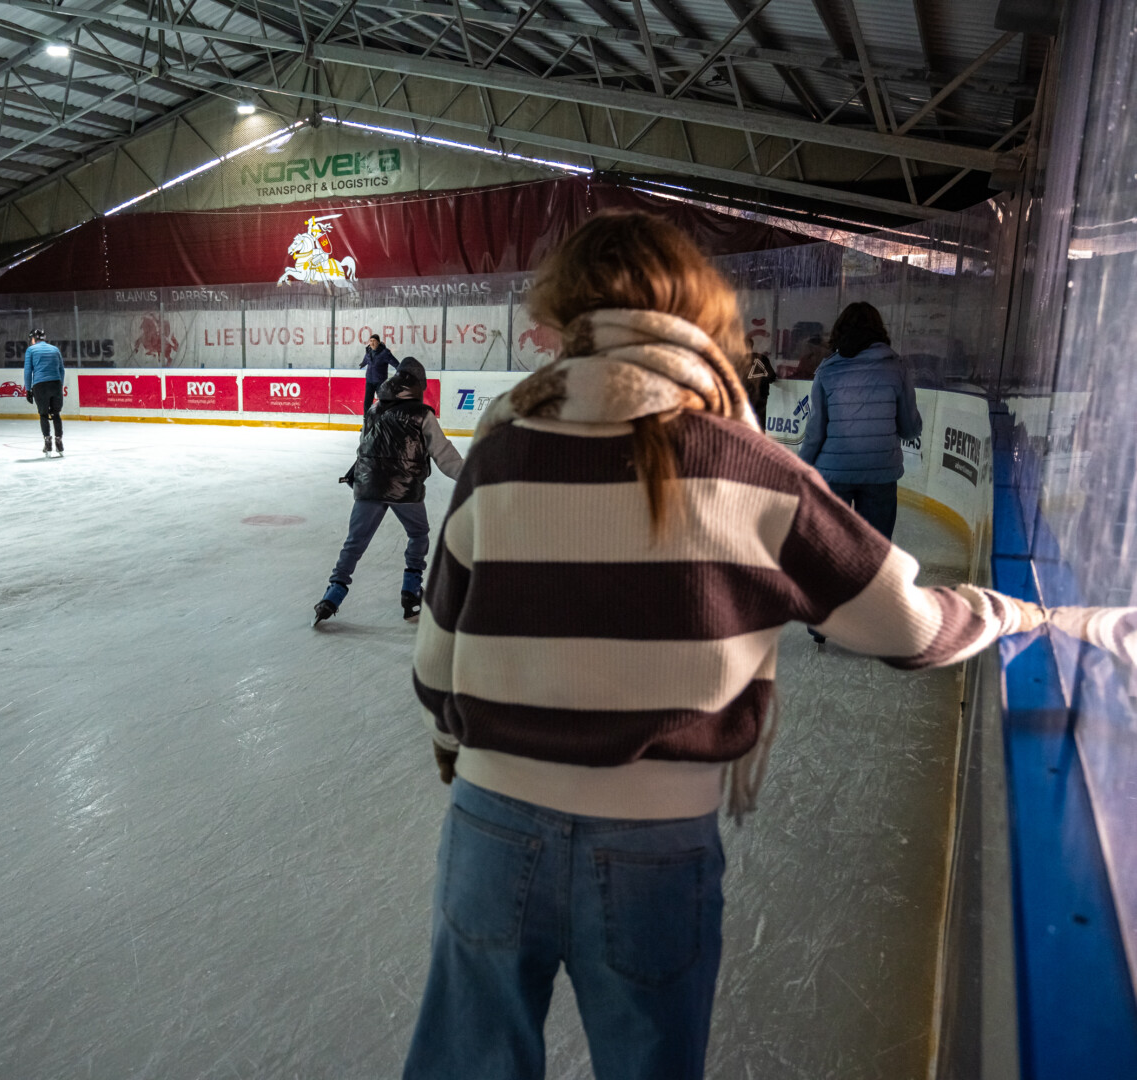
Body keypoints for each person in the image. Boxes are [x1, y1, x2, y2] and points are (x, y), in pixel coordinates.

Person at [402, 211, 1087, 1080]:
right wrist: (1014, 614)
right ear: (699, 313)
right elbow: (912, 629)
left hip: (491, 828)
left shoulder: (501, 450)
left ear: (567, 313)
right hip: (654, 846)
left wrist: (458, 744)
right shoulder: (750, 467)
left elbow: (437, 659)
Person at [315, 357, 463, 627]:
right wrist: (471, 477)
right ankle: (411, 592)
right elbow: (444, 454)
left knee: (354, 543)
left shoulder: (374, 409)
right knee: (418, 534)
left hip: (369, 485)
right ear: (417, 386)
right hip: (405, 488)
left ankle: (332, 595)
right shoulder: (422, 414)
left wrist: (361, 478)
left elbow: (363, 446)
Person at [798, 302, 919, 542]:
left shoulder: (827, 370)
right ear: (879, 331)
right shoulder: (897, 368)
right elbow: (910, 429)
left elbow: (815, 432)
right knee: (875, 548)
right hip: (881, 472)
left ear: (839, 331)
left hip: (834, 472)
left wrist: (802, 467)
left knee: (832, 548)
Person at [23, 328, 66, 455]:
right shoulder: (55, 349)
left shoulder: (31, 350)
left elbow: (28, 371)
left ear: (33, 339)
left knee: (43, 414)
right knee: (56, 414)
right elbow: (61, 370)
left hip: (40, 385)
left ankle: (48, 442)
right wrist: (60, 385)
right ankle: (59, 441)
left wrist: (28, 389)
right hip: (56, 383)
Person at [360, 334, 398, 414]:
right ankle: (367, 419)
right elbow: (366, 360)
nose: (372, 343)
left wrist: (400, 370)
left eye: (374, 341)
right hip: (369, 380)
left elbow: (395, 363)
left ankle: (384, 418)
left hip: (380, 381)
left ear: (378, 342)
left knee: (383, 402)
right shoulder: (368, 351)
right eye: (370, 341)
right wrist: (363, 363)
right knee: (367, 402)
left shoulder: (385, 353)